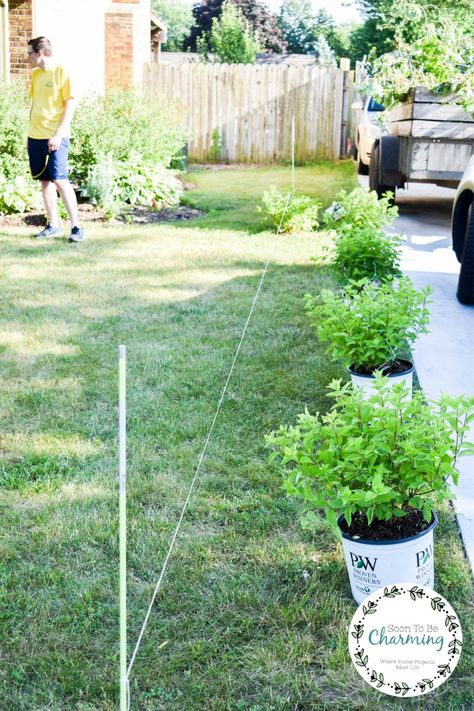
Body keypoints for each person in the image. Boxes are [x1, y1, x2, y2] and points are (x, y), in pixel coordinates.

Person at [27, 36, 84, 242]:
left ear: (40, 53)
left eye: (30, 53)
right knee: (45, 181)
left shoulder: (62, 72)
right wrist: (29, 128)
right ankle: (53, 225)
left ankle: (76, 226)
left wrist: (58, 134)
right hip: (35, 135)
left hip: (56, 135)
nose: (28, 58)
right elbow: (34, 103)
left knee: (60, 180)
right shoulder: (35, 75)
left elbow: (70, 104)